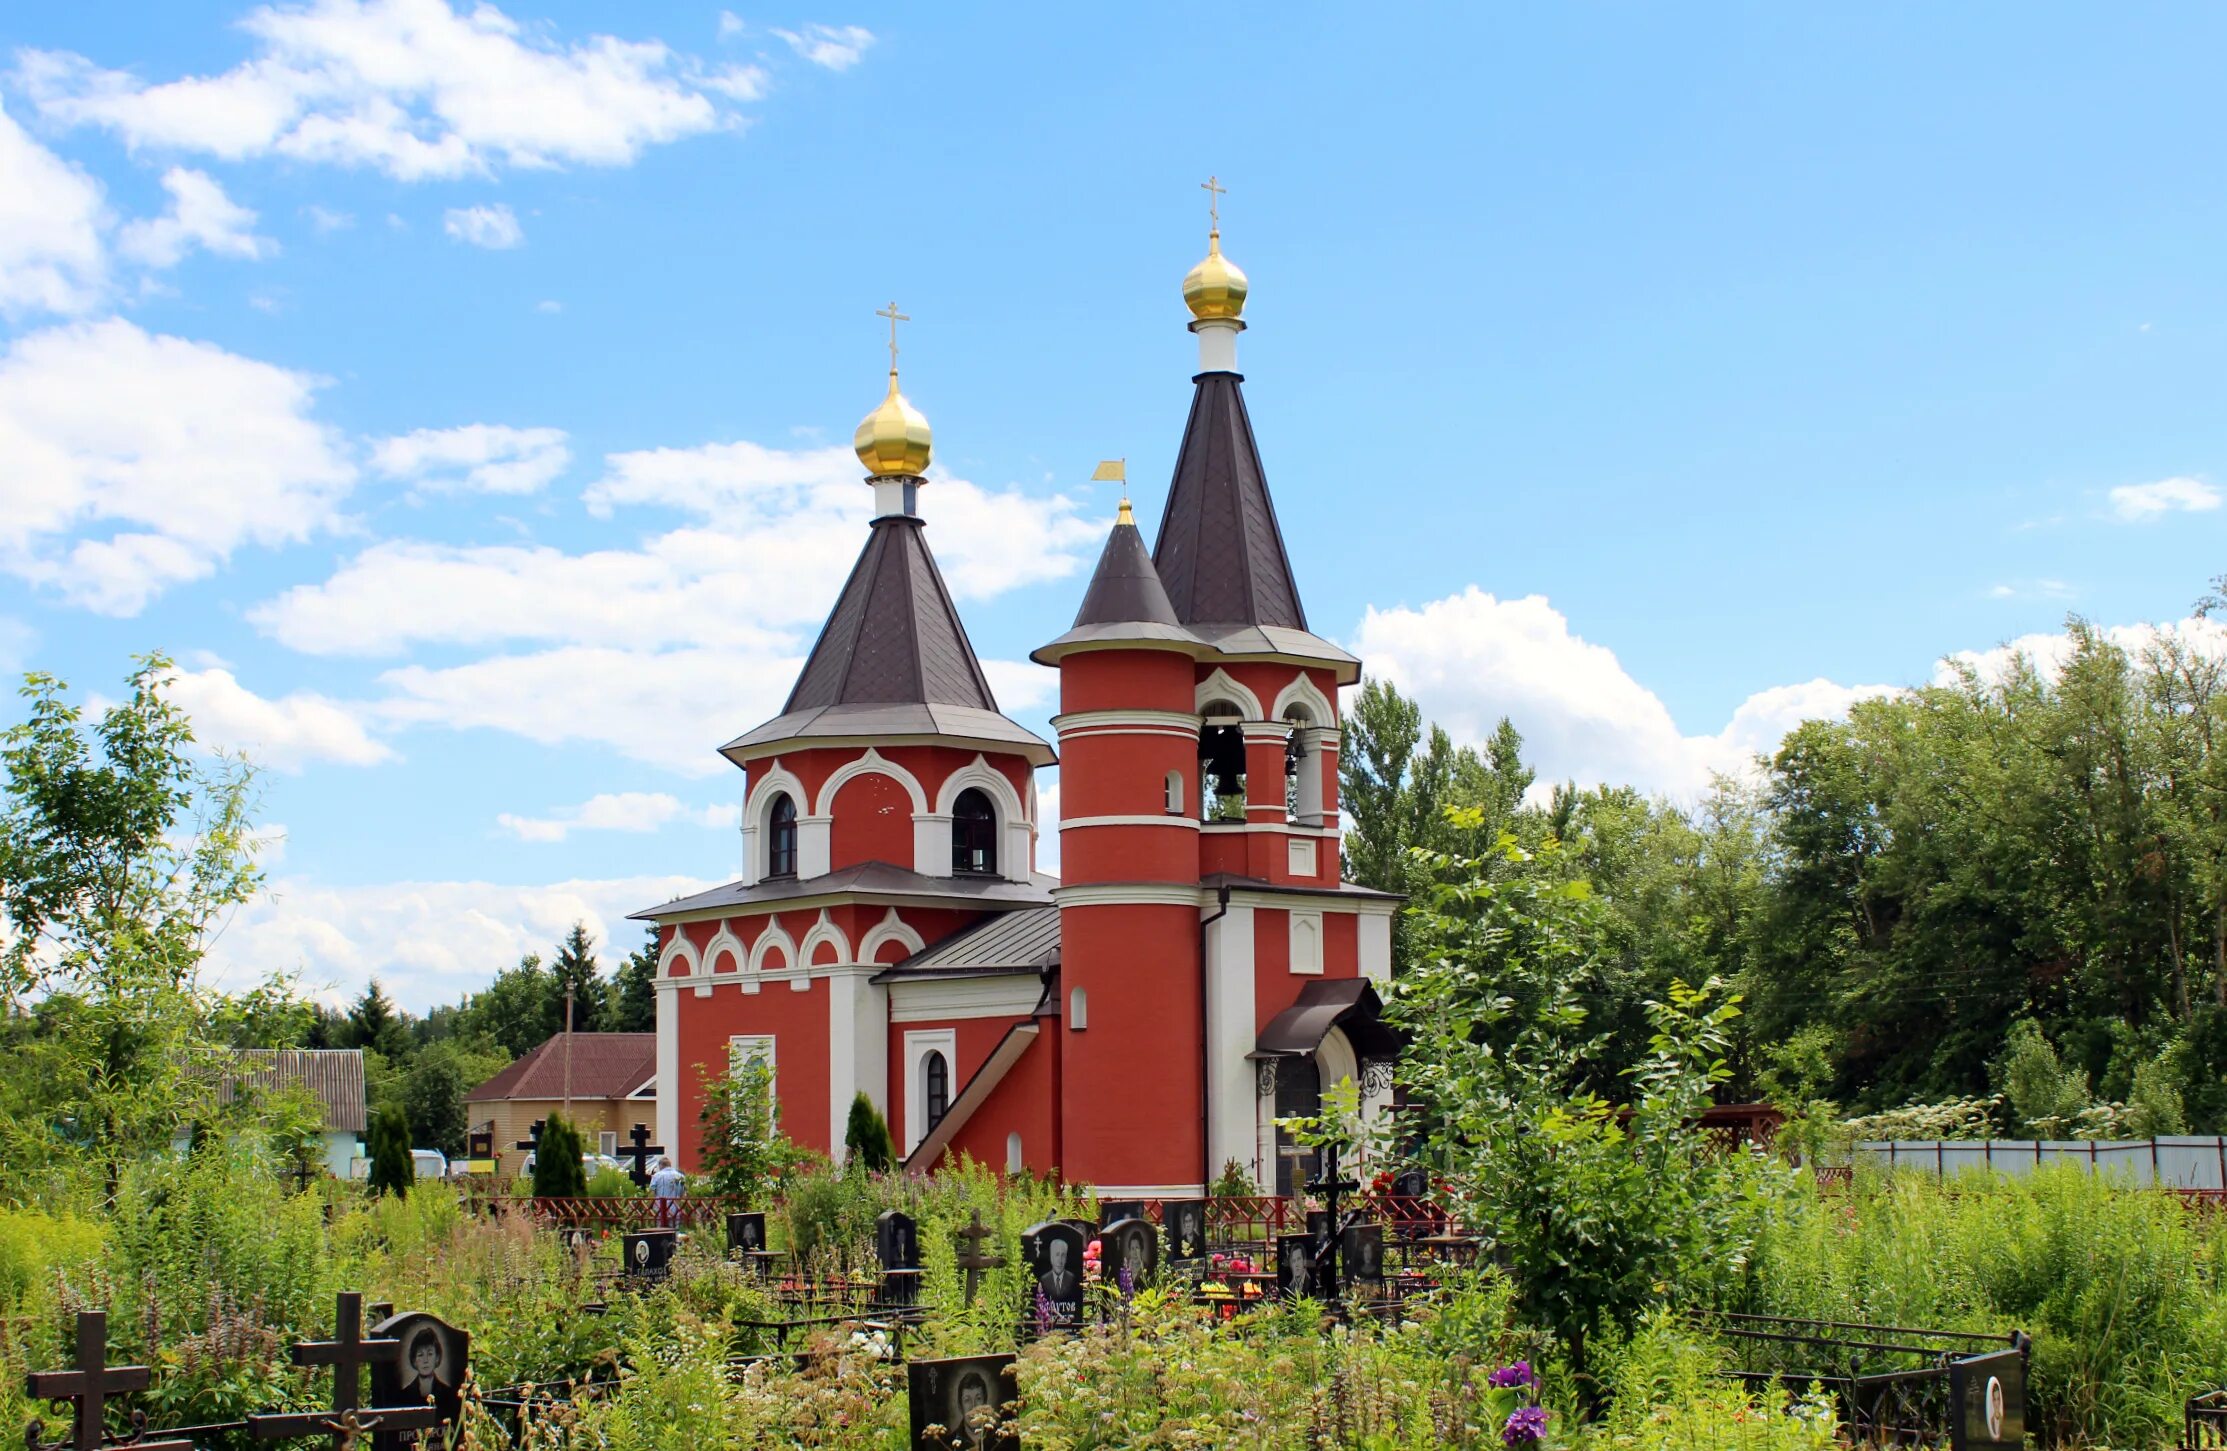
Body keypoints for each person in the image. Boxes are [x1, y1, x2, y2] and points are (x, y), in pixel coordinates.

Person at [953, 1369, 994, 1449]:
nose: (973, 1407)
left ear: (985, 1403)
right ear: (960, 1406)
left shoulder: (1000, 1439)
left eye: (978, 1398)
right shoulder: (948, 1444)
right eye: (967, 1400)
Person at [648, 1156, 685, 1228]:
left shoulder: (656, 1176)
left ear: (661, 1165)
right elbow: (682, 1193)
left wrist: (649, 1207)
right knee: (674, 1232)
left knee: (660, 1232)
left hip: (660, 1209)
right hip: (675, 1209)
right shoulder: (680, 1176)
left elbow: (652, 1192)